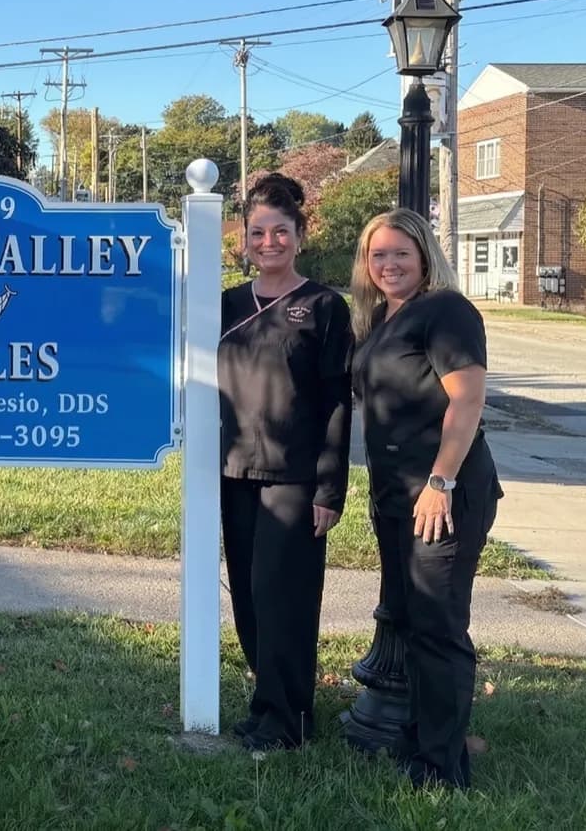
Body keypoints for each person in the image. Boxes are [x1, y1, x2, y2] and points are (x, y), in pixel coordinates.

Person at [350, 208, 502, 789]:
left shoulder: (447, 311)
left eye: (399, 254)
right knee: (412, 621)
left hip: (443, 493)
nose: (388, 264)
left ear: (424, 257)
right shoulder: (384, 317)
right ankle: (417, 740)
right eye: (377, 255)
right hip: (395, 495)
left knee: (437, 626)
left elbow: (466, 403)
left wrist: (441, 482)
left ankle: (442, 767)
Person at [218, 173, 353, 751]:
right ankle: (268, 701)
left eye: (280, 231)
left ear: (300, 235)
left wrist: (329, 488)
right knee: (248, 598)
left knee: (285, 600)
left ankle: (288, 720)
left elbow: (337, 403)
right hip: (232, 473)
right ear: (243, 240)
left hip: (295, 480)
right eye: (257, 233)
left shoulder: (324, 307)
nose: (268, 242)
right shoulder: (224, 304)